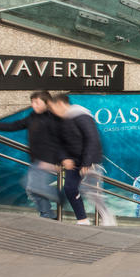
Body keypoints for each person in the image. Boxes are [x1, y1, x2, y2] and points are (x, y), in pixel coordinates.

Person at [0, 90, 62, 219]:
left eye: (37, 103)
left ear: (47, 103)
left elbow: (62, 140)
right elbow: (12, 126)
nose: (34, 105)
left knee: (33, 186)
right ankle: (47, 214)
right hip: (36, 160)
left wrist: (58, 160)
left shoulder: (53, 119)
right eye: (32, 102)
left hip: (47, 161)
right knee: (32, 189)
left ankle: (60, 196)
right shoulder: (33, 117)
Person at [49, 94, 113, 226]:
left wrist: (87, 162)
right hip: (73, 161)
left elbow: (92, 139)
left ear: (60, 104)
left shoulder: (82, 116)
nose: (52, 111)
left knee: (92, 192)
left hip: (89, 161)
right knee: (70, 188)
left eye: (53, 107)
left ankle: (107, 217)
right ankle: (82, 220)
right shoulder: (61, 121)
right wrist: (63, 159)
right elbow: (59, 143)